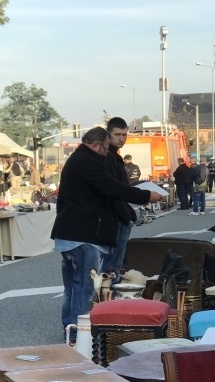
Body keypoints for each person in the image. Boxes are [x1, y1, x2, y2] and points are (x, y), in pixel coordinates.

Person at [51, 127, 163, 343]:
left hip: (69, 234)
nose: (106, 153)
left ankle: (70, 327)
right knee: (84, 286)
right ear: (96, 145)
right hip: (83, 235)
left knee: (72, 286)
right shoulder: (89, 162)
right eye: (105, 148)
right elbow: (112, 187)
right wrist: (146, 195)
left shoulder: (77, 160)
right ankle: (77, 333)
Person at [101, 117, 150, 282]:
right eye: (117, 134)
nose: (121, 138)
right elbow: (115, 189)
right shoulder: (109, 157)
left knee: (113, 266)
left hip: (118, 215)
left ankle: (107, 298)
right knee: (112, 267)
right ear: (108, 134)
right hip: (116, 218)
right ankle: (108, 301)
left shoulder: (114, 156)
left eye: (124, 134)